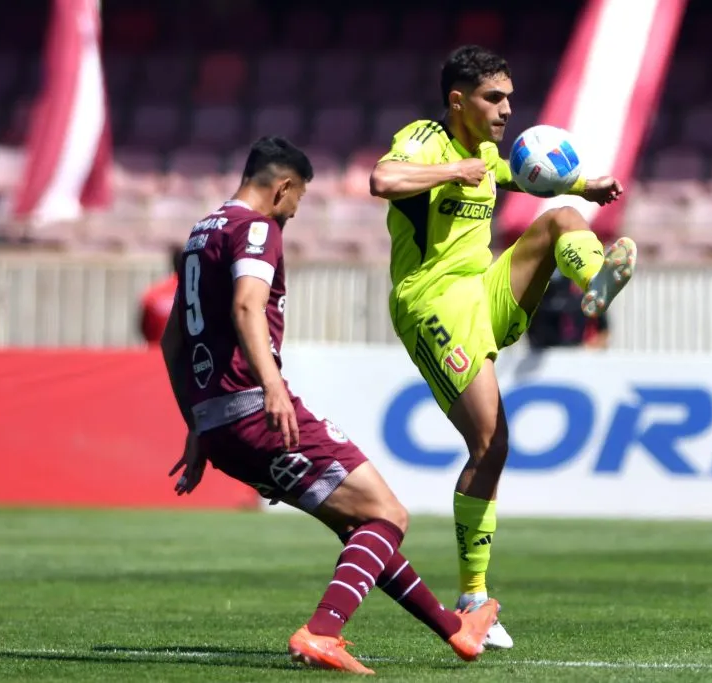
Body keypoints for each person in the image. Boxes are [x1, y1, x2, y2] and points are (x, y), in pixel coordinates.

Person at [161, 136, 498, 675]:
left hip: (218, 420)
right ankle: (322, 632)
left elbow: (173, 341)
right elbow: (249, 305)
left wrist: (197, 426)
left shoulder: (202, 232)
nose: (295, 212)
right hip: (255, 407)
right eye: (298, 200)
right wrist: (271, 386)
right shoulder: (255, 228)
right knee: (389, 513)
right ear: (283, 187)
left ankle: (455, 629)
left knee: (361, 525)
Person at [369, 44, 636, 648]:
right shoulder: (424, 139)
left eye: (511, 98)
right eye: (495, 98)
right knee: (491, 443)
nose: (507, 109)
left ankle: (593, 283)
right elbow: (381, 179)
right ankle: (472, 597)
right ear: (458, 100)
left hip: (482, 290)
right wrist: (450, 172)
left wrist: (584, 184)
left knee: (561, 217)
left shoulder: (487, 153)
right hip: (432, 302)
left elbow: (514, 173)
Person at [526, 271, 610, 350]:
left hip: (579, 355)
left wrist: (586, 350)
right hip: (541, 352)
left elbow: (603, 331)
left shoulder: (588, 297)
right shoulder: (540, 295)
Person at [139, 246, 181, 346]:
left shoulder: (154, 292)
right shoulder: (196, 293)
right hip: (185, 356)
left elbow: (144, 327)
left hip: (155, 353)